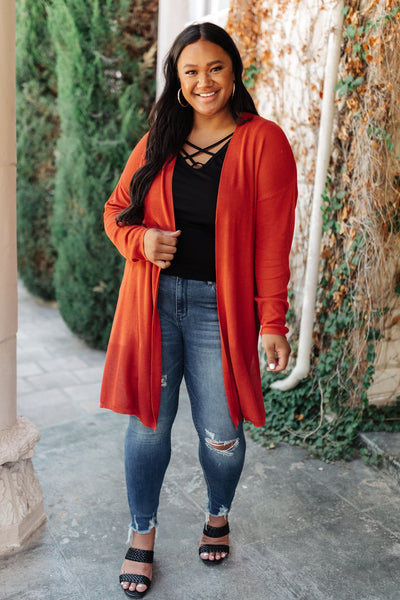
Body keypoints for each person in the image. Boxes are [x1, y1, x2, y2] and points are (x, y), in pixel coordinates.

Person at [100, 21, 297, 598]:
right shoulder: (159, 138)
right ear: (178, 80)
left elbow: (271, 242)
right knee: (148, 428)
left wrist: (272, 321)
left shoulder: (263, 142)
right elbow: (117, 212)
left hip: (220, 310)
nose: (204, 80)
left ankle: (217, 513)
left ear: (233, 70)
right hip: (154, 305)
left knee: (222, 436)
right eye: (191, 71)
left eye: (215, 67)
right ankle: (141, 535)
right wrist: (142, 242)